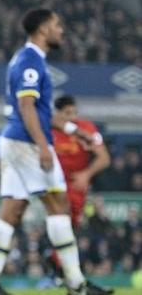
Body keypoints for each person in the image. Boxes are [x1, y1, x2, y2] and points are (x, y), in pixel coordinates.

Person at [0, 9, 106, 295]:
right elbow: (27, 108)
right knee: (59, 205)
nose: (61, 30)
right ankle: (76, 284)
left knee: (11, 211)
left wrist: (75, 131)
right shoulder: (30, 61)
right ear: (43, 29)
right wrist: (43, 146)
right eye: (57, 25)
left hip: (13, 141)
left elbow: (42, 111)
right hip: (26, 143)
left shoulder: (25, 59)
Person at [50, 95, 112, 292]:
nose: (72, 117)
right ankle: (70, 277)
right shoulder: (49, 129)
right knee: (63, 225)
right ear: (58, 114)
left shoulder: (86, 128)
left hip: (78, 187)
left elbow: (104, 158)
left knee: (71, 230)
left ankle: (62, 270)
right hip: (56, 185)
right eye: (67, 113)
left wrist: (86, 174)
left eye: (74, 113)